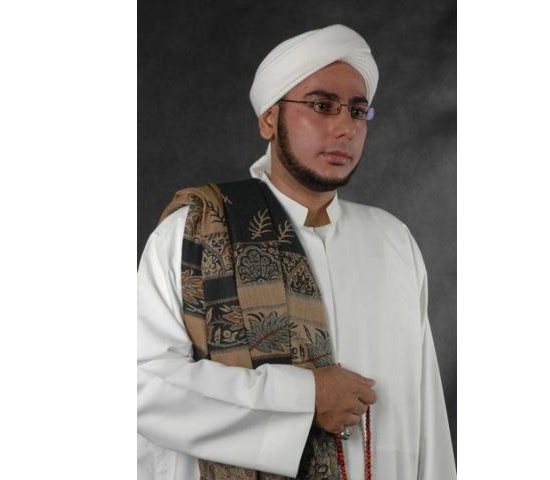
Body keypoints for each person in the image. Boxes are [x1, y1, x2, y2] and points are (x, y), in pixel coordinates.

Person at [138, 24, 456, 480]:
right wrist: (305, 399)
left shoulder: (393, 240)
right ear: (269, 119)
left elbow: (427, 417)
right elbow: (144, 386)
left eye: (358, 111)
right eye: (322, 106)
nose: (345, 127)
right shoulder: (196, 231)